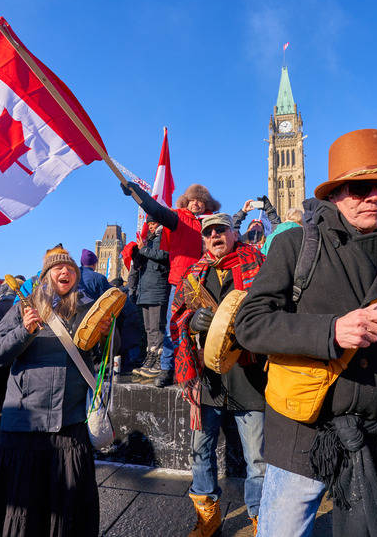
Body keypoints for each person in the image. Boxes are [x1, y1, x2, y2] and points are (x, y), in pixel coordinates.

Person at [235, 129, 377, 537]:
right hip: (306, 433)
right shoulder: (297, 244)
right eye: (360, 187)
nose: (375, 196)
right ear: (336, 193)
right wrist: (331, 331)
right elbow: (249, 323)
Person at [0, 245, 109, 537]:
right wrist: (24, 330)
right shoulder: (25, 305)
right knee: (22, 507)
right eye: (58, 268)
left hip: (70, 423)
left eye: (71, 269)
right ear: (46, 275)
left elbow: (104, 359)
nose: (65, 272)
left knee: (69, 507)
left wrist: (107, 335)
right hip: (26, 423)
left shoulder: (88, 307)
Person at [167, 212, 268, 536]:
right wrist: (193, 320)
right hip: (208, 378)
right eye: (209, 232)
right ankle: (208, 517)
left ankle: (259, 518)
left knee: (258, 460)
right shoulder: (195, 274)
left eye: (220, 230)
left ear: (233, 233)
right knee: (201, 451)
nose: (214, 236)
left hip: (248, 375)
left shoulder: (258, 264)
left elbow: (274, 308)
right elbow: (178, 319)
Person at [120, 181, 221, 387]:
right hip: (181, 282)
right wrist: (136, 193)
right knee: (172, 326)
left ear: (207, 204)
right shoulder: (177, 218)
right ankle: (167, 369)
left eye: (201, 201)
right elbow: (154, 209)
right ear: (187, 201)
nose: (196, 204)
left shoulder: (213, 223)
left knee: (206, 328)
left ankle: (204, 369)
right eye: (193, 200)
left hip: (207, 281)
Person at [132, 217, 171, 379]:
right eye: (149, 224)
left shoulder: (165, 237)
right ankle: (150, 357)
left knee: (157, 328)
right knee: (149, 329)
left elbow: (166, 256)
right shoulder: (148, 240)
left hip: (158, 288)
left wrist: (144, 250)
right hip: (146, 289)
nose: (151, 227)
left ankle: (159, 361)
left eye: (154, 223)